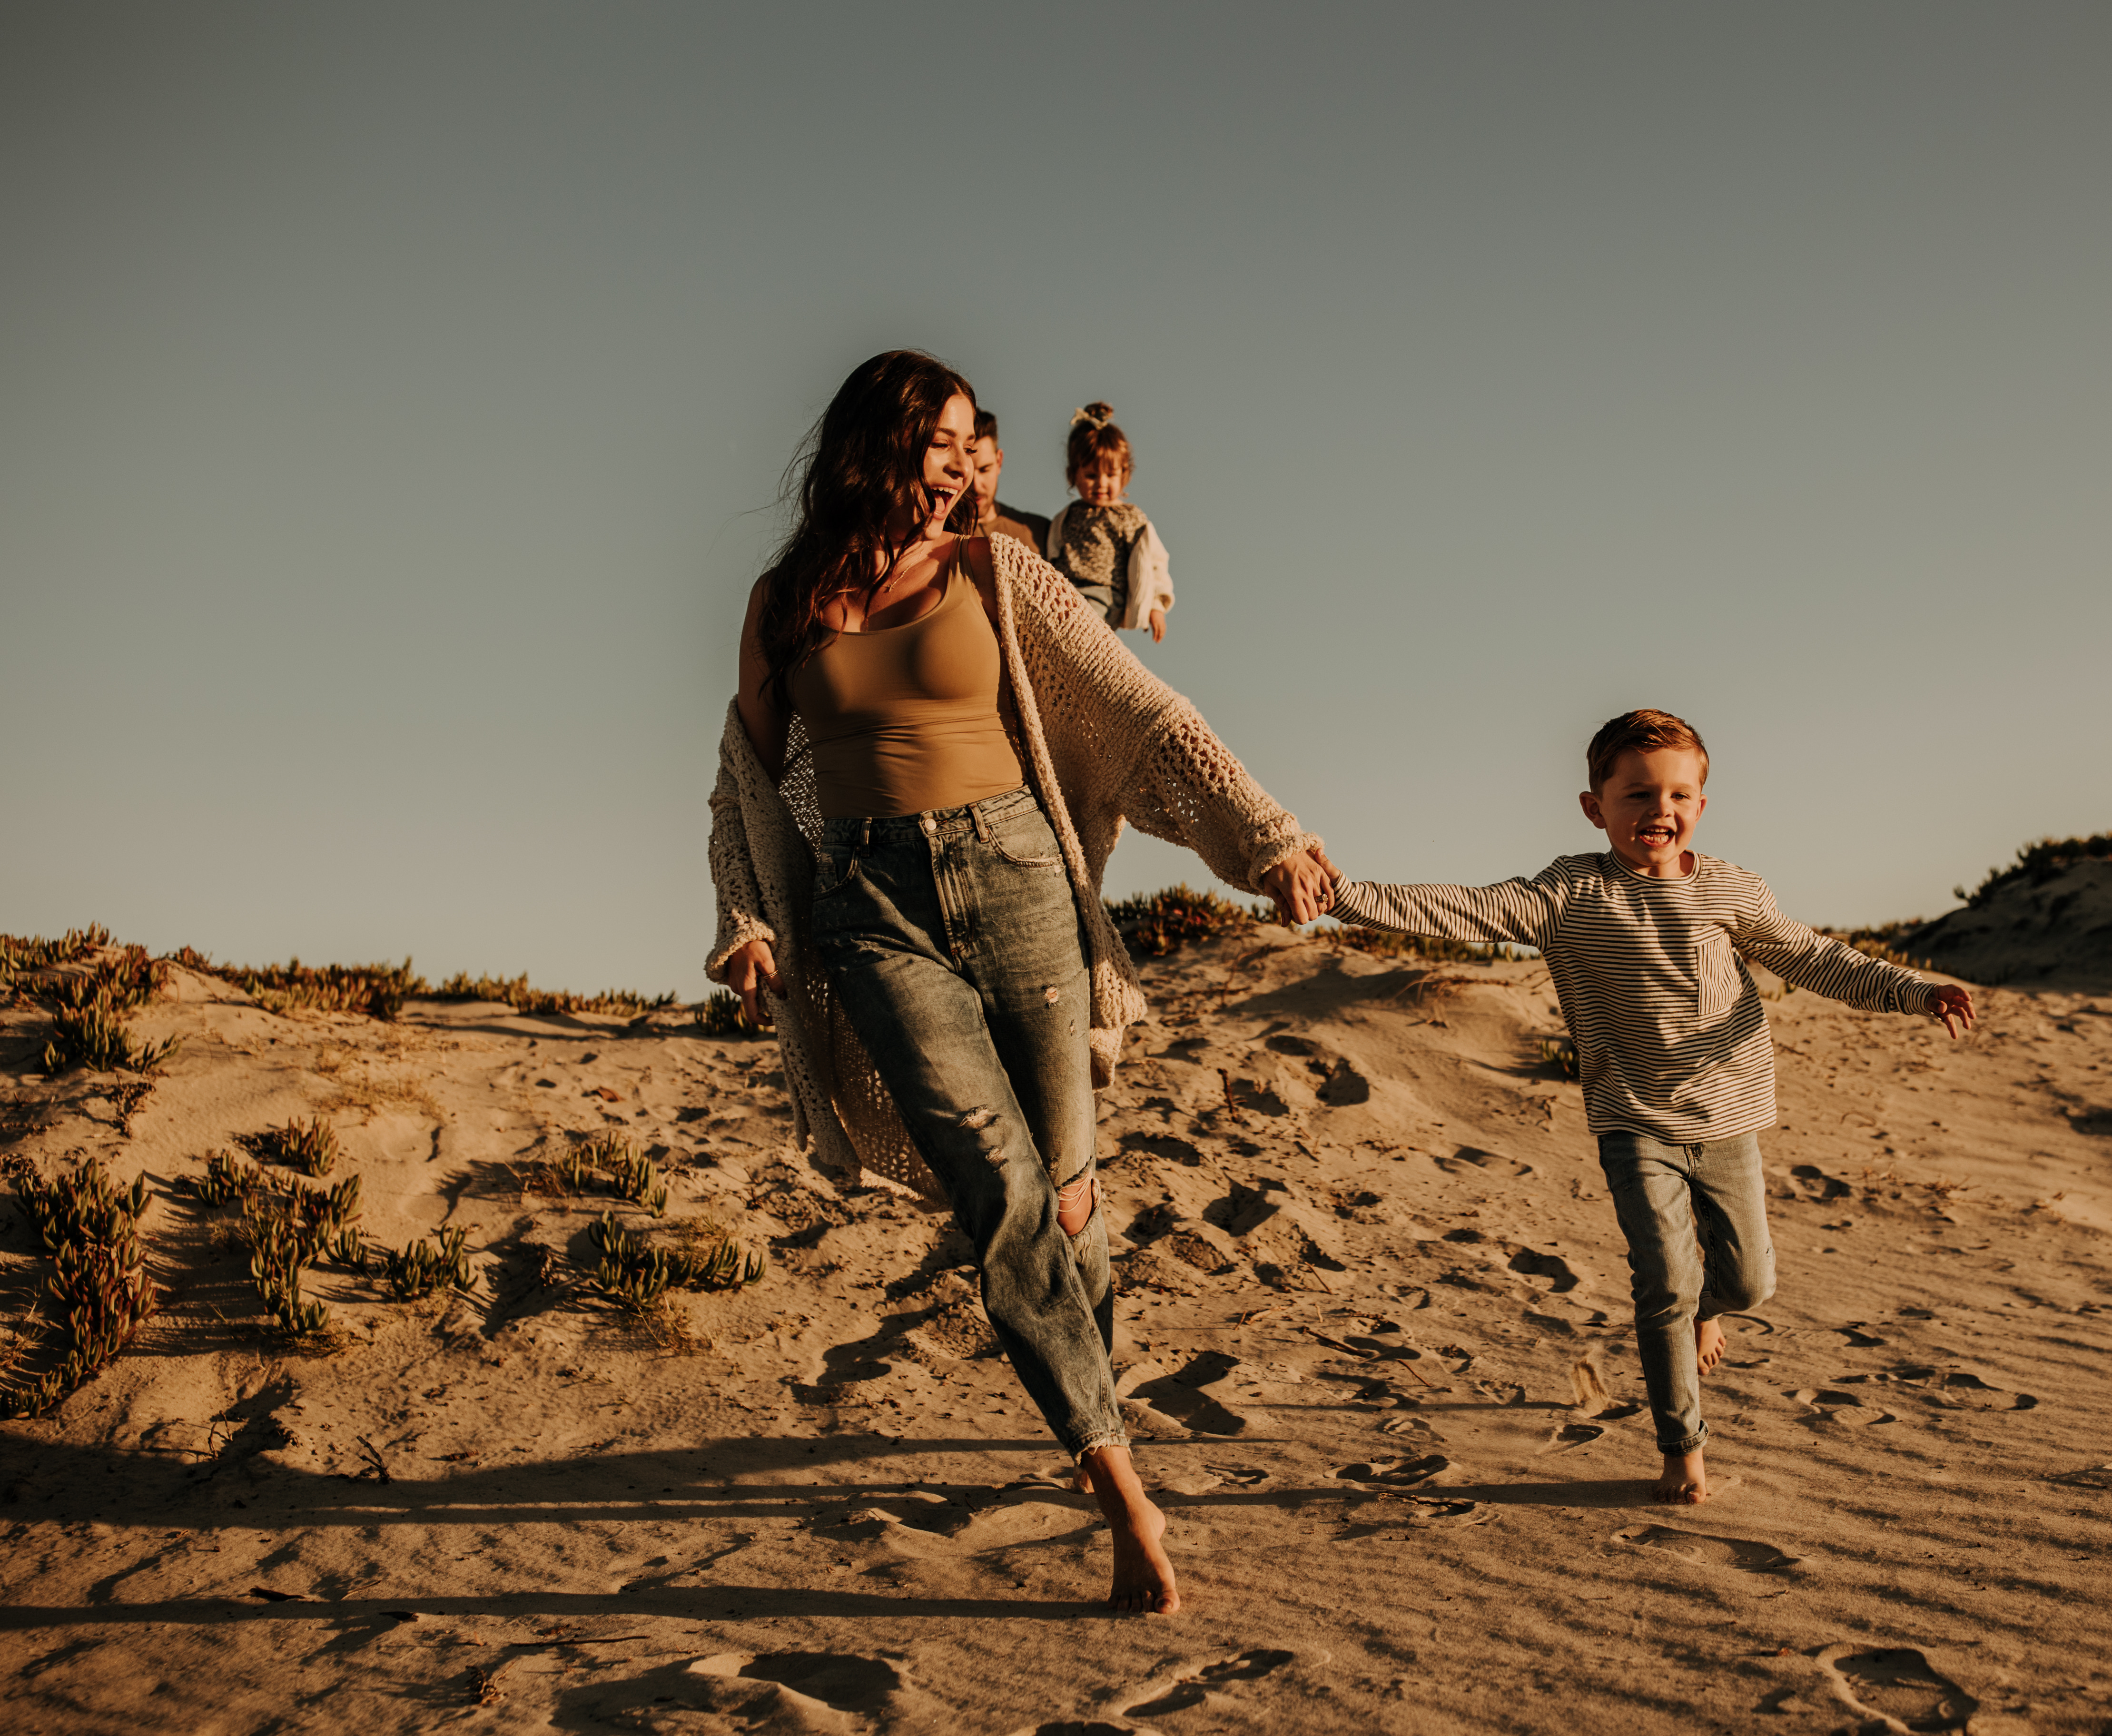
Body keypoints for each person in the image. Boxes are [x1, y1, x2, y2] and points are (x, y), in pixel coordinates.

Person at [705, 350, 1336, 1614]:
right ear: (871, 450)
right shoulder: (785, 602)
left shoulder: (999, 570)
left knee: (1071, 1191)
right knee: (1001, 1197)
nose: (963, 461)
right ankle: (1120, 1491)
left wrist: (1262, 833)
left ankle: (1087, 1394)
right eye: (940, 441)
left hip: (1019, 881)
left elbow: (1136, 706)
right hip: (871, 906)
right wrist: (743, 915)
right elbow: (745, 777)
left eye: (967, 443)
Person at [1319, 709, 1975, 1506]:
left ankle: (1710, 1308)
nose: (1656, 809)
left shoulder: (1732, 890)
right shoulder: (1571, 893)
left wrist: (1912, 991)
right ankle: (1681, 1448)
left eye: (1676, 793)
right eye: (1634, 794)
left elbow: (1813, 958)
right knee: (1662, 1280)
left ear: (1700, 803)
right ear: (1595, 807)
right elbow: (1465, 907)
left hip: (1726, 1115)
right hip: (1632, 1117)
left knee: (1748, 1281)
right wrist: (1345, 894)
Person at [1044, 402, 1171, 643]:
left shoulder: (1129, 518)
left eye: (1110, 475)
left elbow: (1154, 562)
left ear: (1125, 474)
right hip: (1066, 591)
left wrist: (1156, 606)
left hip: (1105, 594)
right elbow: (1052, 553)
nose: (1102, 484)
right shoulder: (1067, 516)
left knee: (1084, 634)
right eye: (1091, 476)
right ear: (1074, 476)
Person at [968, 407, 1050, 557]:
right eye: (967, 472)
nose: (976, 485)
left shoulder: (1039, 531)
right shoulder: (936, 536)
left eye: (984, 469)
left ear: (999, 461)